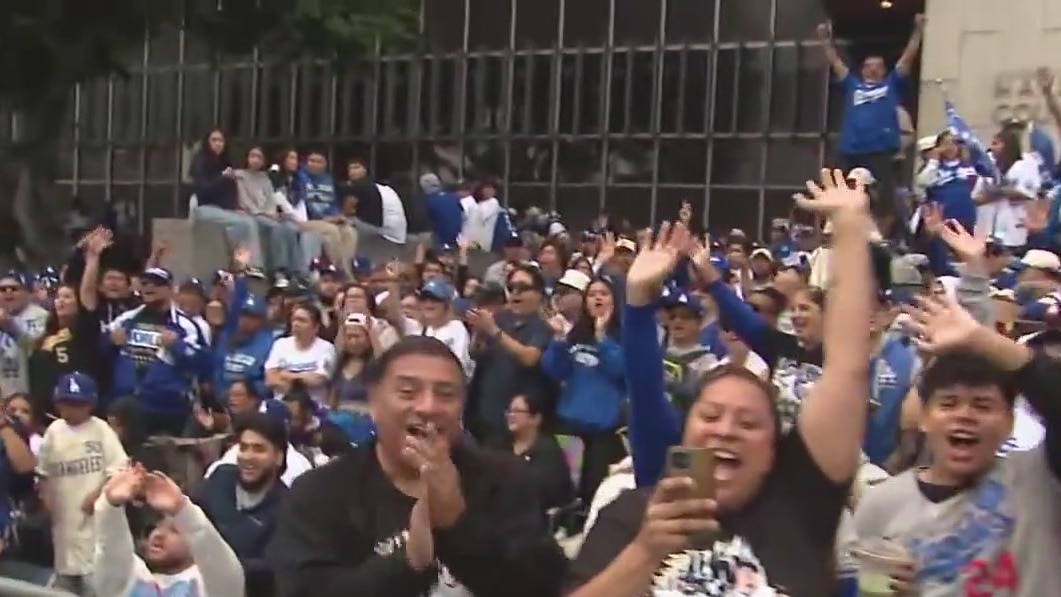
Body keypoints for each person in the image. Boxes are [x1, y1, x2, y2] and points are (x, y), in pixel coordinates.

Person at [565, 170, 875, 597]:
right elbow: (646, 393)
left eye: (749, 423)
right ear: (684, 437)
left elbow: (847, 367)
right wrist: (646, 552)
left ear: (774, 452)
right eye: (710, 416)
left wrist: (851, 228)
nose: (726, 430)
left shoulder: (800, 502)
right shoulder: (639, 511)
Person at [266, 335, 568, 597]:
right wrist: (408, 561)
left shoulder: (506, 479)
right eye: (408, 392)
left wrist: (456, 524)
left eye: (446, 394)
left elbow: (544, 586)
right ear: (374, 402)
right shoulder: (321, 491)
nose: (428, 407)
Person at [855, 292, 1061, 594]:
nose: (964, 415)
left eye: (982, 405)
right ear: (924, 418)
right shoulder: (881, 505)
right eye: (949, 404)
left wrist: (983, 340)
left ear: (1010, 423)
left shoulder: (1038, 476)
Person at [817, 16, 925, 225]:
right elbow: (836, 62)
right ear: (862, 69)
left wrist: (918, 32)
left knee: (885, 201)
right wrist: (825, 41)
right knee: (841, 195)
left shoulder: (890, 84)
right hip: (850, 151)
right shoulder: (852, 85)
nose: (873, 69)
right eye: (868, 66)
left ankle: (880, 239)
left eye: (878, 66)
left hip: (880, 152)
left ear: (884, 70)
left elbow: (907, 59)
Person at [37, 373, 129, 596]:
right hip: (64, 522)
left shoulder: (101, 430)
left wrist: (99, 494)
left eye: (78, 404)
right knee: (66, 578)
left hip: (97, 523)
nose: (71, 409)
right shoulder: (53, 432)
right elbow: (42, 472)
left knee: (95, 582)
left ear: (90, 404)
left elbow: (120, 470)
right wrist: (46, 496)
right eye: (66, 403)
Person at [93, 463, 245, 597]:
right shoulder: (127, 580)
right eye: (157, 526)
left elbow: (216, 556)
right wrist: (110, 505)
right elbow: (110, 547)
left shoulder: (210, 586)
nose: (158, 534)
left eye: (174, 530)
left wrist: (182, 510)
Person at [105, 267, 206, 436]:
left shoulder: (186, 325)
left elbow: (201, 363)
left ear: (169, 289)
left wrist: (176, 345)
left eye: (157, 283)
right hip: (128, 407)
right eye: (145, 283)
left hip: (169, 410)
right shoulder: (126, 319)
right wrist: (111, 341)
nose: (149, 287)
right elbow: (99, 351)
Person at [195, 412, 288, 596]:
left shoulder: (287, 507)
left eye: (259, 449)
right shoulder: (220, 478)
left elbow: (268, 570)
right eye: (243, 447)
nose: (247, 456)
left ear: (278, 457)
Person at [189, 128, 265, 269]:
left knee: (250, 222)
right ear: (207, 142)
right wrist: (221, 178)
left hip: (223, 210)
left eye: (221, 141)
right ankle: (248, 264)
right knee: (244, 224)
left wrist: (236, 208)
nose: (218, 144)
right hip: (204, 208)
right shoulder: (201, 161)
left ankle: (250, 264)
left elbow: (229, 194)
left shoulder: (225, 162)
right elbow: (202, 191)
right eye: (214, 140)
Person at [234, 145, 304, 273]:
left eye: (259, 157)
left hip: (267, 214)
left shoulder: (264, 178)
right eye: (252, 156)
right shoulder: (240, 176)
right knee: (278, 228)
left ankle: (297, 271)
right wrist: (264, 213)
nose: (255, 160)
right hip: (252, 214)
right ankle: (279, 270)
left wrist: (272, 212)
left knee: (289, 227)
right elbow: (244, 201)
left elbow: (270, 199)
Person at [504, 394, 575, 516]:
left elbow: (544, 491)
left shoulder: (549, 451)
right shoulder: (500, 444)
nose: (511, 415)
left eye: (517, 411)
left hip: (536, 517)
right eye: (509, 411)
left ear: (535, 418)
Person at [297, 150, 358, 278]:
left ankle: (347, 270)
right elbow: (303, 203)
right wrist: (326, 219)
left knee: (349, 232)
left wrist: (337, 216)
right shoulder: (300, 178)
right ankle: (336, 270)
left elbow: (333, 203)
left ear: (325, 164)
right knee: (332, 231)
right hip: (307, 220)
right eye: (312, 161)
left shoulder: (328, 180)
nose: (315, 164)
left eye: (319, 162)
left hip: (327, 219)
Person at [264, 303, 337, 406]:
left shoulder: (326, 347)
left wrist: (286, 375)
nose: (296, 323)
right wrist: (302, 384)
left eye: (302, 320)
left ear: (316, 327)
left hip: (314, 407)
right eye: (294, 319)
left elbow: (319, 379)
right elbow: (270, 379)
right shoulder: (280, 344)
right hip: (280, 405)